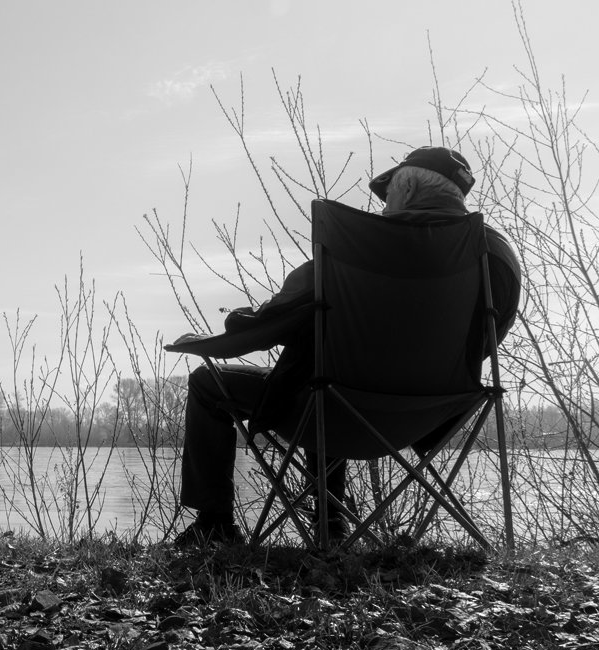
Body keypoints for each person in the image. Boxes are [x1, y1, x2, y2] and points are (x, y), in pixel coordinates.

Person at [173, 146, 522, 547]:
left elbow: (271, 323)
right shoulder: (495, 254)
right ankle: (331, 525)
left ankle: (215, 524)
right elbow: (490, 337)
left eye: (388, 191)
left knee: (222, 381)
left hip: (333, 409)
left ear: (406, 189)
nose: (385, 202)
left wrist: (223, 333)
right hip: (429, 415)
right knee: (328, 374)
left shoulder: (356, 247)